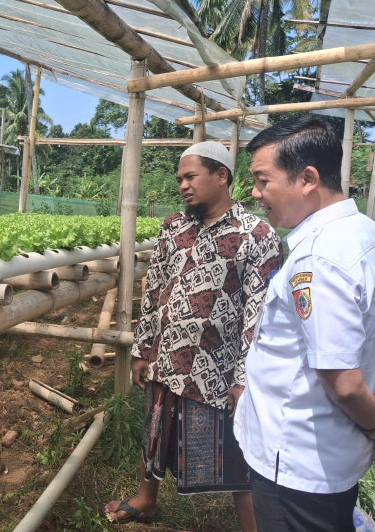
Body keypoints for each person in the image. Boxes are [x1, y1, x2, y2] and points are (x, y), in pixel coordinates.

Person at [103, 141, 282, 529]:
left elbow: (258, 315)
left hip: (217, 370)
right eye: (179, 179)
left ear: (221, 176)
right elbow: (155, 289)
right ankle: (146, 501)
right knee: (155, 433)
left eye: (190, 177)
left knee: (239, 455)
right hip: (167, 359)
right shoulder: (174, 227)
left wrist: (243, 379)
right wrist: (143, 350)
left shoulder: (256, 234)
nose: (183, 185)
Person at [235, 114, 375, 532]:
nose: (255, 193)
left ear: (308, 179)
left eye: (262, 180)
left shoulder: (319, 259)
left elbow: (344, 382)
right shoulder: (361, 232)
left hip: (296, 461)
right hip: (329, 453)